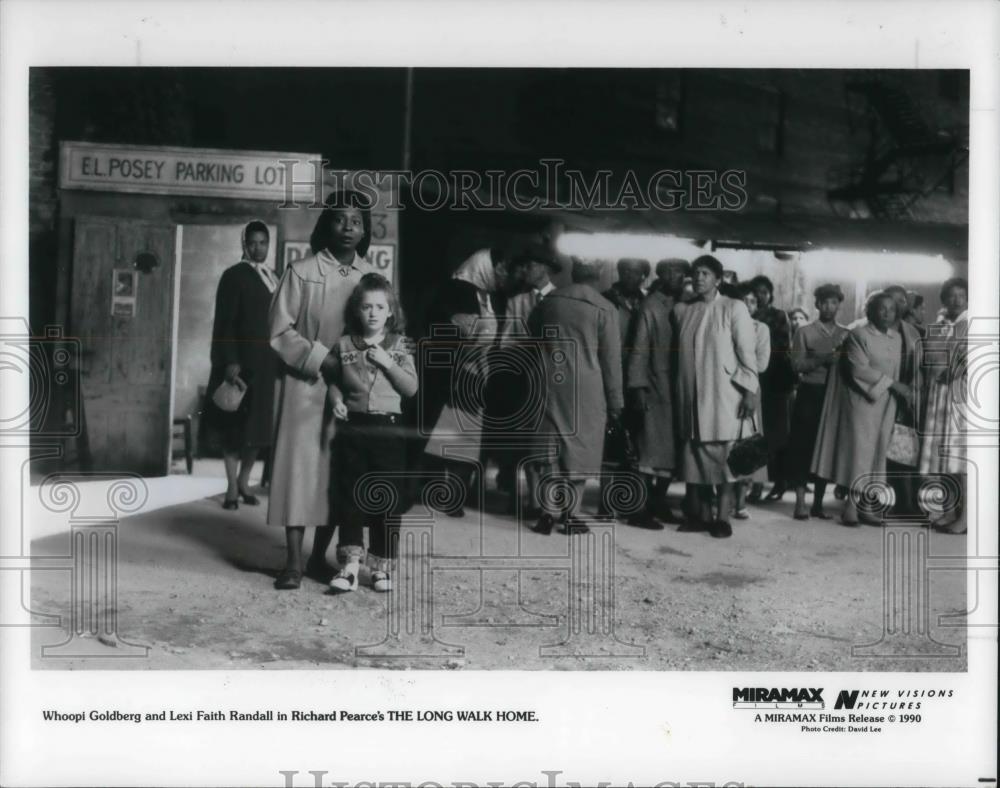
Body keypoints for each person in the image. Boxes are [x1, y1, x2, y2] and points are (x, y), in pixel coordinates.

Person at [268, 191, 376, 590]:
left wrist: (352, 366)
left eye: (357, 221)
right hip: (303, 384)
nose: (348, 228)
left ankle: (319, 556)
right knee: (297, 472)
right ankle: (293, 561)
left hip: (350, 387)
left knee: (337, 475)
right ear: (325, 224)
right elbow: (279, 331)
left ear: (366, 230)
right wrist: (321, 359)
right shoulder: (301, 271)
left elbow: (383, 329)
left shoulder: (370, 279)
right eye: (340, 219)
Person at [325, 274, 418, 593]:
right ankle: (350, 566)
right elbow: (334, 381)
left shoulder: (400, 344)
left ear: (391, 311)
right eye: (367, 307)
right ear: (357, 310)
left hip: (389, 429)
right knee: (350, 494)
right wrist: (336, 401)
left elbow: (411, 388)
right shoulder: (345, 343)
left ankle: (380, 567)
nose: (374, 313)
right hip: (354, 428)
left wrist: (389, 363)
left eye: (380, 307)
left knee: (386, 497)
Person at [529, 259, 623, 535]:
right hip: (587, 388)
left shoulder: (549, 302)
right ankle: (571, 515)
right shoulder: (605, 308)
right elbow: (611, 362)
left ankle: (546, 513)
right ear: (601, 272)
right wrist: (616, 401)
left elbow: (532, 335)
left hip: (548, 381)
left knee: (549, 450)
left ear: (573, 271)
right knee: (580, 450)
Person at [420, 246, 512, 516]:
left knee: (467, 437)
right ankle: (441, 492)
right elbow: (449, 331)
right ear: (485, 266)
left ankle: (453, 496)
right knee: (447, 435)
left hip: (477, 373)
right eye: (502, 268)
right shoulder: (457, 290)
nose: (505, 274)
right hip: (455, 374)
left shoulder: (487, 295)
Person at [673, 255, 759, 539]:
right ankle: (700, 515)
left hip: (724, 395)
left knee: (725, 460)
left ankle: (722, 518)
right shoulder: (683, 311)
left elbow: (748, 353)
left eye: (706, 273)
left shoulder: (733, 308)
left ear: (718, 279)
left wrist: (750, 391)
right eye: (696, 273)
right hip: (691, 395)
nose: (699, 278)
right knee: (694, 456)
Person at [811, 291, 914, 525]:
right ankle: (851, 507)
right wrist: (894, 385)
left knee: (877, 453)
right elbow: (859, 370)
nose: (887, 313)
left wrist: (897, 394)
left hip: (886, 403)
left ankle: (866, 506)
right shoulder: (858, 335)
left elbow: (895, 370)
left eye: (891, 309)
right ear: (871, 311)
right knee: (860, 453)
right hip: (862, 402)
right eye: (882, 308)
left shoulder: (896, 337)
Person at [206, 220, 279, 510]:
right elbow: (225, 322)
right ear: (244, 244)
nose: (258, 247)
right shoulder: (233, 276)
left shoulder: (273, 277)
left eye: (263, 242)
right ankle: (231, 488)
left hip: (267, 364)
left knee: (259, 429)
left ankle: (245, 481)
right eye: (253, 242)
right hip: (240, 362)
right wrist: (230, 360)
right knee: (234, 427)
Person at [497, 243, 562, 516]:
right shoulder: (517, 301)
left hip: (554, 382)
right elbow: (504, 343)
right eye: (525, 266)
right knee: (522, 439)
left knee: (551, 441)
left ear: (545, 269)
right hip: (524, 378)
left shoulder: (561, 300)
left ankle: (548, 501)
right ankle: (519, 497)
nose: (526, 270)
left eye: (532, 266)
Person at [625, 262, 681, 529]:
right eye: (672, 272)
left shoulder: (681, 305)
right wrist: (637, 388)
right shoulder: (650, 306)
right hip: (655, 387)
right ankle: (639, 509)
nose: (677, 277)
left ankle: (659, 501)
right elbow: (639, 349)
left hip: (676, 390)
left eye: (682, 273)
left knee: (670, 454)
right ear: (661, 275)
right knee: (648, 452)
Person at [786, 284, 848, 520]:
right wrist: (823, 359)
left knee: (826, 447)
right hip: (810, 393)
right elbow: (796, 365)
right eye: (824, 302)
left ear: (839, 305)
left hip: (835, 396)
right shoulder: (804, 332)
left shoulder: (845, 333)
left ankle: (818, 504)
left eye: (833, 302)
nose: (829, 307)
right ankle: (800, 502)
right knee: (802, 446)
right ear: (817, 305)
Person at [918, 277, 969, 534]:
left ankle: (965, 517)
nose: (956, 300)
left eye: (961, 295)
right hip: (940, 395)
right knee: (944, 457)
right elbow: (930, 359)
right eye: (951, 295)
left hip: (963, 396)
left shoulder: (973, 322)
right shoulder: (939, 325)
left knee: (961, 459)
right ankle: (949, 511)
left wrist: (954, 370)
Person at [747, 275, 795, 504]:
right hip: (753, 379)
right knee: (756, 433)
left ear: (771, 294)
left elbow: (784, 347)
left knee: (777, 433)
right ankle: (755, 483)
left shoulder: (778, 316)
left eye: (764, 292)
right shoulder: (745, 313)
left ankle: (780, 481)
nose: (760, 296)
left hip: (774, 379)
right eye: (756, 292)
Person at [730, 283, 771, 520]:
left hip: (751, 388)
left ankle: (740, 502)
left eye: (753, 301)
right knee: (725, 440)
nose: (748, 305)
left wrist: (739, 367)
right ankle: (721, 497)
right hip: (725, 388)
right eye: (744, 300)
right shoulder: (728, 324)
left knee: (746, 441)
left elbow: (762, 364)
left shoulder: (761, 329)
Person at [603, 258, 651, 356]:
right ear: (619, 272)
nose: (630, 276)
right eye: (626, 270)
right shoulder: (604, 299)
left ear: (643, 276)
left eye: (636, 272)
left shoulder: (648, 300)